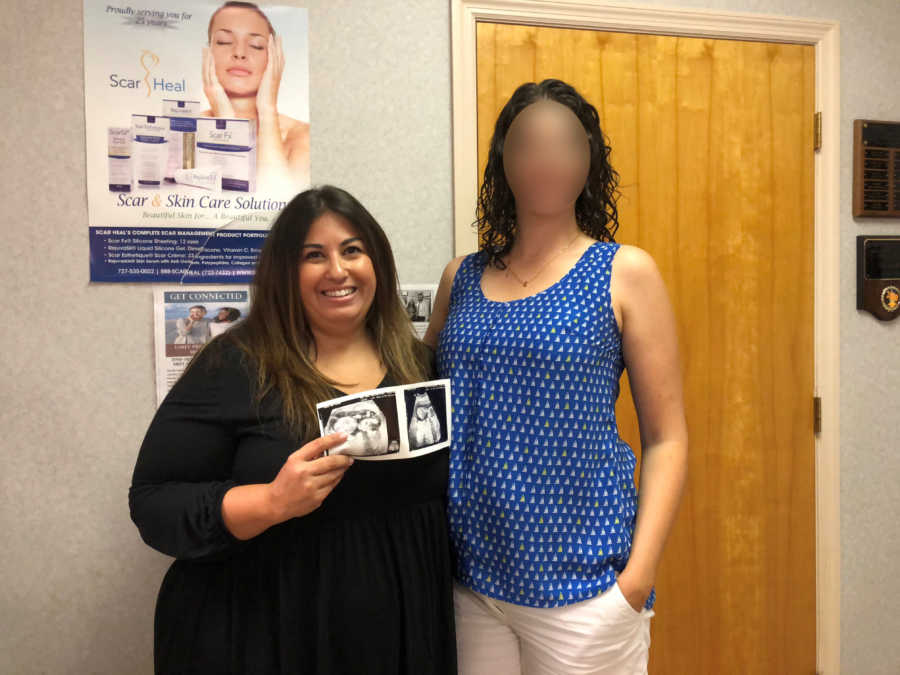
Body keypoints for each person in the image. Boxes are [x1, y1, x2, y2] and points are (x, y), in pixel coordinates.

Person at [130, 186, 456, 673]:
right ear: (285, 272)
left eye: (352, 250)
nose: (338, 270)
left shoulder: (419, 364)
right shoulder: (237, 364)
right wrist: (271, 502)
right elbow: (153, 502)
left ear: (378, 264)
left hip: (396, 626)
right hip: (264, 628)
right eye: (313, 256)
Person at [425, 79, 689, 675]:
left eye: (566, 145)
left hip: (588, 592)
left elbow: (668, 437)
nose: (547, 160)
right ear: (503, 161)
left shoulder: (625, 272)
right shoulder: (459, 278)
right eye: (528, 145)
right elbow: (423, 402)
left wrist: (636, 579)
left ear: (589, 161)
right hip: (472, 581)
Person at [201, 1, 310, 189]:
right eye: (224, 42)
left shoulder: (300, 136)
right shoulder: (185, 130)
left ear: (275, 56)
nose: (239, 53)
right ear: (208, 52)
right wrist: (226, 120)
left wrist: (268, 109)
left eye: (256, 45)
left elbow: (276, 205)